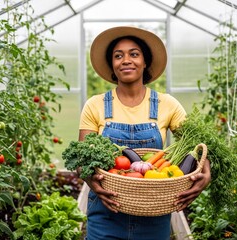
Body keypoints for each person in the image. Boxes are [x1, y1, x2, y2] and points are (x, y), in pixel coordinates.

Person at [78, 26, 211, 240]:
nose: (126, 60)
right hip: (106, 211)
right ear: (113, 64)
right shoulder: (95, 105)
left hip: (154, 212)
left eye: (134, 54)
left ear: (145, 62)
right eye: (118, 55)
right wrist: (90, 180)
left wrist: (206, 172)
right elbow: (81, 158)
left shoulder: (167, 104)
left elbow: (195, 145)